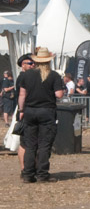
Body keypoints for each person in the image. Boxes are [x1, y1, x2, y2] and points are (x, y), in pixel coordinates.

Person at [17, 47, 65, 183]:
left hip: (30, 111)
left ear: (36, 61)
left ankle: (28, 174)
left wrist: (21, 110)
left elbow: (22, 95)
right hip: (47, 111)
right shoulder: (54, 75)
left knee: (30, 145)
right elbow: (59, 95)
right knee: (44, 145)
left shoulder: (27, 75)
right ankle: (42, 174)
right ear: (49, 61)